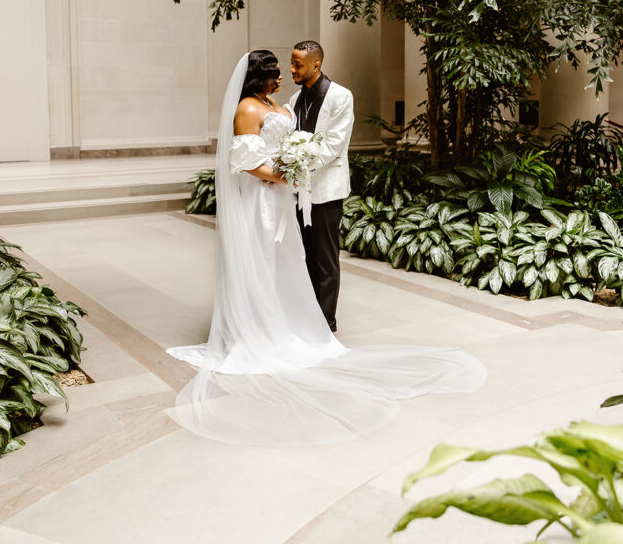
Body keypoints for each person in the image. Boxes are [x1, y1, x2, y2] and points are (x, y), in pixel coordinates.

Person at [166, 50, 485, 446]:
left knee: (295, 261)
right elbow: (245, 160)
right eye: (277, 73)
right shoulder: (249, 108)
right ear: (260, 78)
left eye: (293, 68)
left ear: (316, 63)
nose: (285, 76)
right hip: (263, 199)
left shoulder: (283, 102)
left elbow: (322, 143)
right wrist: (284, 173)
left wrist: (293, 169)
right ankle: (259, 328)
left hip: (291, 195)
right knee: (263, 260)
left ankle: (300, 324)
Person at [289, 40, 352, 332]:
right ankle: (308, 314)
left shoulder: (341, 96)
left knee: (326, 259)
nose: (292, 70)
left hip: (326, 188)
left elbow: (334, 146)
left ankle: (327, 321)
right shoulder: (293, 100)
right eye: (291, 63)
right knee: (305, 255)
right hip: (298, 191)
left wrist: (296, 163)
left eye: (297, 64)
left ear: (316, 64)